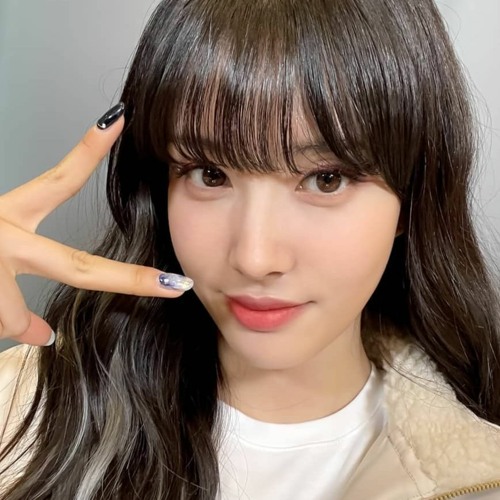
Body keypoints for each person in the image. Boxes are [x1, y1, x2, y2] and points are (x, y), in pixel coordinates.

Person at [1, 0, 500, 498]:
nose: (255, 259)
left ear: (411, 197)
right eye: (209, 174)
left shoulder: (482, 469)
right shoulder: (19, 412)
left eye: (326, 179)